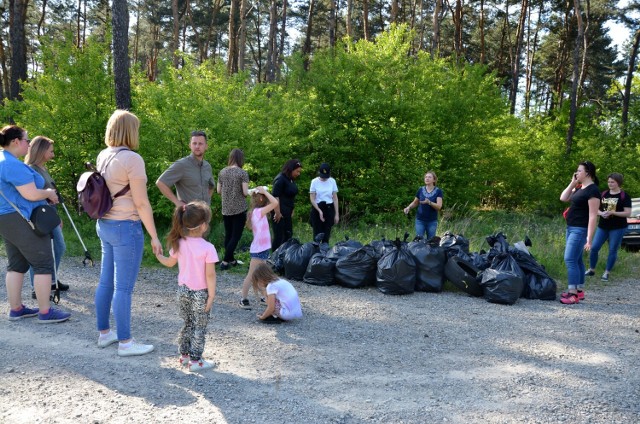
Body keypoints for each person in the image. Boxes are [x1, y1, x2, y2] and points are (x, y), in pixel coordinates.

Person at [95, 110, 163, 356]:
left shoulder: (103, 155)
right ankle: (125, 342)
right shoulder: (133, 159)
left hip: (105, 224)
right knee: (123, 287)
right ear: (130, 131)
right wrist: (154, 236)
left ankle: (104, 334)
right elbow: (142, 203)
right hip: (126, 227)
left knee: (106, 282)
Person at [0, 125, 70, 323]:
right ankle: (45, 312)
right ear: (15, 142)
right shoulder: (11, 164)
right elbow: (30, 194)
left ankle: (16, 309)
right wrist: (48, 194)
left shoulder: (2, 160)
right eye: (26, 140)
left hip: (5, 218)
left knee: (16, 264)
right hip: (21, 218)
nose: (29, 144)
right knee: (43, 263)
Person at [155, 201, 218, 372]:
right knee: (199, 326)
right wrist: (211, 295)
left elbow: (169, 263)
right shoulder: (208, 248)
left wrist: (158, 255)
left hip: (182, 291)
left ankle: (184, 356)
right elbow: (210, 275)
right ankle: (196, 361)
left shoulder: (179, 243)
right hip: (200, 293)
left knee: (187, 323)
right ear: (203, 225)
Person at [24, 136, 69, 297]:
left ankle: (51, 280)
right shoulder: (31, 169)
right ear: (41, 151)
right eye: (51, 151)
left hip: (49, 214)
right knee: (41, 251)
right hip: (38, 216)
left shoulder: (43, 169)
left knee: (58, 247)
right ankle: (37, 287)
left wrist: (56, 217)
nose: (53, 154)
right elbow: (33, 195)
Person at [559, 160, 600, 305]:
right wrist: (572, 183)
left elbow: (593, 216)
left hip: (580, 230)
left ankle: (572, 294)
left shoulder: (593, 191)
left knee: (569, 259)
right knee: (577, 260)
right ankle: (579, 290)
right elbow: (563, 198)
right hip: (571, 227)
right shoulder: (580, 188)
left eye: (579, 171)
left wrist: (589, 239)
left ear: (587, 173)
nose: (576, 173)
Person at [585, 173, 632, 282]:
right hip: (603, 226)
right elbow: (594, 209)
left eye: (612, 182)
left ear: (618, 183)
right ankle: (592, 269)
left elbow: (628, 213)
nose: (610, 184)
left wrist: (613, 212)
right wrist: (601, 213)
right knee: (594, 247)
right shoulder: (603, 194)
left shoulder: (624, 196)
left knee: (612, 250)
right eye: (609, 182)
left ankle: (607, 272)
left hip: (618, 227)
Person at [239, 186, 278, 309]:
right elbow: (275, 202)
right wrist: (264, 191)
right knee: (251, 275)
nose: (267, 198)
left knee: (262, 275)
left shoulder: (258, 212)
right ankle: (243, 299)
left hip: (263, 249)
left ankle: (263, 297)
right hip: (258, 250)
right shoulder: (258, 212)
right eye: (265, 196)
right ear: (261, 198)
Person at [156, 130, 215, 207]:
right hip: (188, 215)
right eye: (194, 143)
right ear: (190, 145)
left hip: (205, 214)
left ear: (206, 146)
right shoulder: (181, 165)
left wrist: (206, 202)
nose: (197, 146)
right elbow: (160, 183)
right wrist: (177, 202)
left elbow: (211, 186)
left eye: (200, 143)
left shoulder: (207, 166)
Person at [217, 148, 249, 270]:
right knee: (236, 235)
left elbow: (218, 191)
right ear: (241, 159)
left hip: (226, 208)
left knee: (229, 235)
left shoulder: (222, 172)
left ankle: (231, 259)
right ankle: (225, 261)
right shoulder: (242, 173)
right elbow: (245, 193)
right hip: (239, 208)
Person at [271, 159, 302, 251]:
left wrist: (292, 209)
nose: (298, 174)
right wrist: (277, 213)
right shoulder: (280, 179)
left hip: (288, 212)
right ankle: (274, 257)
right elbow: (275, 196)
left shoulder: (290, 180)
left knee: (288, 234)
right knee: (279, 236)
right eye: (297, 171)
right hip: (279, 213)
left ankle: (284, 256)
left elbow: (291, 195)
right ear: (291, 169)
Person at [403, 171, 443, 240]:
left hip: (432, 221)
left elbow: (439, 207)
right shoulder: (420, 190)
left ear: (434, 180)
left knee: (431, 242)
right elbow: (415, 202)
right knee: (419, 240)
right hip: (420, 220)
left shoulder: (438, 191)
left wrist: (429, 202)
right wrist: (408, 207)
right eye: (426, 177)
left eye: (429, 177)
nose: (427, 178)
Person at [309, 163, 339, 244]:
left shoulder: (332, 181)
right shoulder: (314, 182)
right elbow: (312, 199)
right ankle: (316, 254)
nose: (324, 178)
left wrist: (337, 214)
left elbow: (335, 198)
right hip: (317, 207)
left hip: (329, 208)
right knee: (317, 235)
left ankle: (325, 252)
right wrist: (319, 211)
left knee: (326, 234)